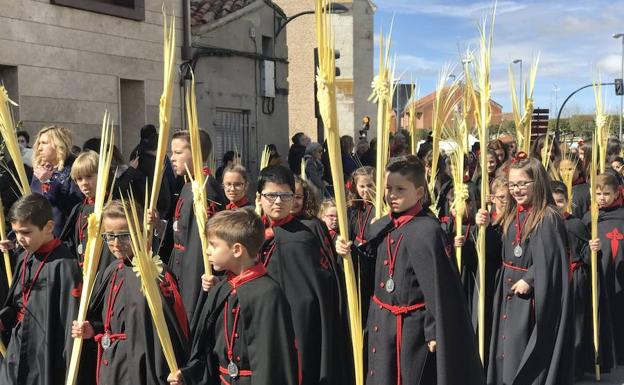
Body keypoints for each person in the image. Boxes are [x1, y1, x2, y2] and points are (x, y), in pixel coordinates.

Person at [336, 155, 484, 385]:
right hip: (382, 322)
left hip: (412, 328)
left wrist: (434, 330)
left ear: (419, 193)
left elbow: (441, 288)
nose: (391, 195)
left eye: (400, 189)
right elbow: (369, 266)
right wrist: (348, 253)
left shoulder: (427, 230)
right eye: (388, 188)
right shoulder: (380, 225)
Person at [167, 209, 299, 385]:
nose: (207, 251)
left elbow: (274, 362)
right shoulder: (223, 288)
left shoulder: (268, 294)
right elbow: (206, 348)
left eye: (213, 245)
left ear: (237, 250)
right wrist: (188, 375)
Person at [478, 152, 573, 385]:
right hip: (507, 287)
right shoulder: (512, 214)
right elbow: (499, 250)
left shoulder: (547, 217)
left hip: (529, 296)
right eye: (512, 184)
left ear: (537, 182)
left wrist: (530, 279)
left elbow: (551, 261)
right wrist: (485, 226)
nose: (516, 190)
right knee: (505, 346)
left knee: (521, 349)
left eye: (522, 184)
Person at [72, 200, 188, 385]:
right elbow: (107, 319)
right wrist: (92, 328)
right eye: (109, 236)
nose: (116, 243)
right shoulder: (112, 269)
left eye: (124, 236)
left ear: (140, 232)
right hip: (111, 366)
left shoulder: (154, 272)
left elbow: (173, 330)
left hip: (139, 368)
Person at [256, 165, 352, 385]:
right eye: (271, 195)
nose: (278, 201)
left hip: (299, 325)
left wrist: (343, 252)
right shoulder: (250, 230)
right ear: (259, 197)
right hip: (262, 320)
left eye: (285, 195)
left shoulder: (306, 232)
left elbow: (323, 284)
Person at [0, 193, 82, 385]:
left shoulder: (65, 266)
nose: (20, 238)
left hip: (44, 353)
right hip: (18, 345)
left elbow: (67, 322)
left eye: (26, 232)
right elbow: (18, 303)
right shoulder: (25, 256)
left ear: (48, 227)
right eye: (16, 232)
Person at [158, 130, 225, 322]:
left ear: (195, 152)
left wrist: (191, 298)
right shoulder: (189, 185)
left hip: (193, 279)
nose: (172, 158)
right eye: (173, 152)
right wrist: (158, 225)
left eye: (178, 153)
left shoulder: (205, 189)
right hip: (180, 271)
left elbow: (199, 247)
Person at [551, 181, 615, 379]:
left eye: (560, 202)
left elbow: (587, 256)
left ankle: (575, 366)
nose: (556, 206)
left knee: (576, 324)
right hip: (553, 280)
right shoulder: (544, 224)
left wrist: (592, 249)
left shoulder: (575, 224)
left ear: (568, 202)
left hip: (575, 280)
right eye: (552, 202)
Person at [582, 172, 624, 364]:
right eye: (598, 194)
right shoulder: (590, 218)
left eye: (606, 193)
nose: (602, 198)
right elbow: (580, 249)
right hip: (598, 275)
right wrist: (589, 249)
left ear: (617, 193)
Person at [59, 151, 114, 274]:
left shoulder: (113, 208)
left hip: (105, 272)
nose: (84, 183)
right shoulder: (78, 209)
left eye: (89, 176)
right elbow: (70, 243)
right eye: (79, 179)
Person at [30, 125, 83, 237]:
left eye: (44, 143)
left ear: (59, 144)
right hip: (40, 235)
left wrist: (49, 181)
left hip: (65, 237)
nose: (39, 148)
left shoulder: (75, 167)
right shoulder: (40, 169)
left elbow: (75, 206)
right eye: (39, 143)